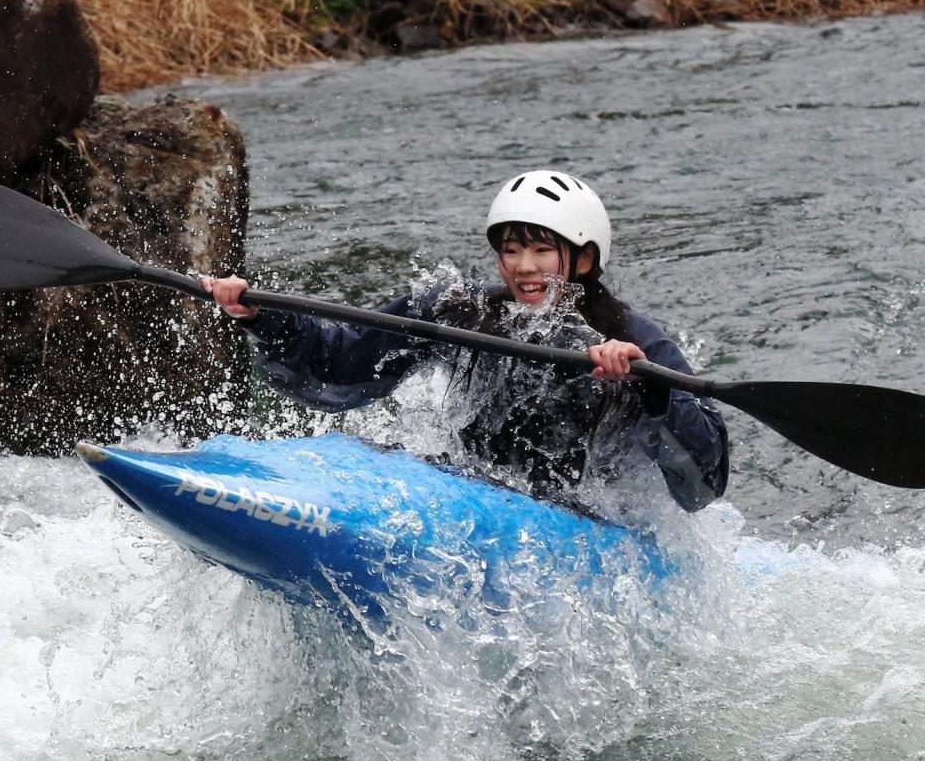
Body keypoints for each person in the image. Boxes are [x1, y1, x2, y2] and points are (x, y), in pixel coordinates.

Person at [204, 170, 728, 512]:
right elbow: (338, 372)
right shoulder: (462, 310)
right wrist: (263, 318)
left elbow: (702, 485)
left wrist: (650, 391)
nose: (524, 268)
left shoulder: (636, 342)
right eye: (511, 250)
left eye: (543, 251)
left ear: (585, 259)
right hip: (471, 493)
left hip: (586, 517)